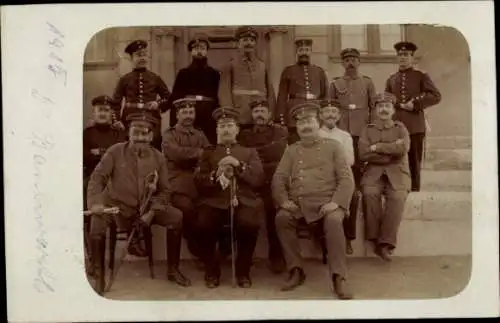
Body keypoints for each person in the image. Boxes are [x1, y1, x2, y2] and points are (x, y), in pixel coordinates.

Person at [87, 111, 191, 294]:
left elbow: (165, 190)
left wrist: (150, 214)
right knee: (97, 221)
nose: (140, 137)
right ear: (129, 133)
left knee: (176, 217)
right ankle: (99, 274)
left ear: (150, 136)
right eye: (136, 132)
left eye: (144, 133)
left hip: (147, 207)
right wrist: (96, 204)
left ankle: (173, 270)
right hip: (117, 208)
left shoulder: (158, 157)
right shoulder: (115, 151)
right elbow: (97, 178)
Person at [272, 102, 355, 299]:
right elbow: (279, 178)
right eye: (301, 123)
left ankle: (339, 276)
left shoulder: (334, 146)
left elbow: (346, 178)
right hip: (299, 203)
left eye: (309, 121)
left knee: (334, 221)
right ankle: (296, 270)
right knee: (282, 218)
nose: (306, 126)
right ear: (297, 128)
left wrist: (336, 202)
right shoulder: (292, 150)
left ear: (318, 123)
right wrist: (283, 200)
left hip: (328, 202)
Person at [194, 106, 264, 288]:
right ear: (217, 130)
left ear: (237, 129)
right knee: (204, 224)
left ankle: (243, 272)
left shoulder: (249, 152)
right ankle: (212, 271)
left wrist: (239, 166)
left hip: (243, 199)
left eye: (230, 125)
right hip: (214, 201)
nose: (226, 129)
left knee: (250, 224)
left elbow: (258, 178)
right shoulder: (208, 153)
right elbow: (199, 182)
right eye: (222, 126)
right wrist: (215, 176)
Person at [358, 92, 411, 262]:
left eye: (387, 106)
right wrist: (389, 151)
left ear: (393, 110)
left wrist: (377, 147)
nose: (383, 109)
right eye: (380, 106)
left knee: (397, 197)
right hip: (373, 173)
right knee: (369, 194)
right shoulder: (367, 130)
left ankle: (386, 243)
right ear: (375, 110)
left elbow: (402, 150)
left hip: (397, 173)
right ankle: (373, 238)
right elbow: (363, 154)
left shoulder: (400, 128)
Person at [238, 99, 288, 274]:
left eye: (263, 111)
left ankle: (277, 256)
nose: (259, 114)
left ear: (269, 114)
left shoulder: (280, 131)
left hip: (272, 180)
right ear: (252, 115)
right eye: (256, 111)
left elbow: (278, 151)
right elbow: (241, 154)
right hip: (250, 181)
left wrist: (254, 154)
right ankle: (243, 257)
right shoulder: (243, 134)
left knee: (274, 214)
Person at [384, 41, 441, 192]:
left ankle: (415, 189)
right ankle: (398, 188)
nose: (403, 58)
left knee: (414, 159)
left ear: (412, 58)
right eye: (400, 55)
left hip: (415, 124)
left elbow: (435, 96)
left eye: (406, 55)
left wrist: (415, 104)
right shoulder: (391, 78)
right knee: (396, 158)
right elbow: (386, 99)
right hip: (396, 125)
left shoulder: (421, 75)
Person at [162, 97, 211, 260]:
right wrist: (198, 153)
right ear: (177, 115)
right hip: (178, 183)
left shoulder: (200, 134)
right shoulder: (169, 135)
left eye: (191, 112)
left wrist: (201, 156)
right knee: (188, 208)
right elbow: (176, 154)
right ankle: (195, 244)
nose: (188, 115)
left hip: (199, 181)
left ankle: (210, 250)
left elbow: (209, 153)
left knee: (210, 209)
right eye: (184, 112)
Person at [83, 95, 126, 275]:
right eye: (99, 110)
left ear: (112, 113)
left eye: (106, 110)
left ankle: (107, 260)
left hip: (114, 180)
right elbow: (84, 156)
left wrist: (98, 153)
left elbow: (122, 158)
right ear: (94, 112)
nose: (103, 113)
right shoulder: (87, 133)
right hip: (92, 178)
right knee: (89, 214)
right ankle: (93, 260)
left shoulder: (119, 133)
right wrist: (107, 154)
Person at [111, 39, 171, 150]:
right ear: (131, 58)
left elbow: (169, 98)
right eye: (138, 55)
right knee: (129, 148)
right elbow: (115, 103)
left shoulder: (155, 78)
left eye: (144, 55)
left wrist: (158, 104)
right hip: (129, 119)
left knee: (153, 145)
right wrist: (117, 120)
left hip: (152, 118)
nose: (142, 58)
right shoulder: (125, 79)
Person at [318, 99, 358, 255]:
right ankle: (321, 238)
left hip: (340, 177)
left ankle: (347, 238)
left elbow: (350, 160)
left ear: (339, 116)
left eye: (334, 112)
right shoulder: (315, 134)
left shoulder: (345, 136)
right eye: (327, 111)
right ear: (320, 115)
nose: (330, 115)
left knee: (353, 196)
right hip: (320, 178)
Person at [218, 26, 276, 130]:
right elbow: (224, 93)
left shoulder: (262, 65)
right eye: (245, 40)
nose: (248, 43)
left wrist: (270, 113)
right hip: (239, 115)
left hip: (260, 114)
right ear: (238, 44)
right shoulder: (230, 65)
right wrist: (230, 115)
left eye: (252, 40)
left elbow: (270, 93)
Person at [166, 34, 221, 145]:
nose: (199, 51)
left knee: (209, 143)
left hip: (208, 113)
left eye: (202, 48)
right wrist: (173, 120)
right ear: (191, 52)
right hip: (189, 112)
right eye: (196, 48)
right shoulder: (184, 73)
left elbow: (218, 96)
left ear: (207, 51)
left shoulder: (215, 74)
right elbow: (176, 96)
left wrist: (218, 116)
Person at [276, 39, 329, 144]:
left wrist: (325, 114)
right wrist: (281, 117)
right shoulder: (288, 71)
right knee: (295, 140)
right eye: (301, 50)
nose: (304, 52)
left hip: (315, 110)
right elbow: (282, 96)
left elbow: (325, 95)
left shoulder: (319, 71)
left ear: (310, 52)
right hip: (294, 112)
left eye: (307, 50)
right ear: (297, 52)